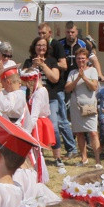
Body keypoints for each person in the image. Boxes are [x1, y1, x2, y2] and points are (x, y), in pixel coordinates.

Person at [24, 36, 71, 166]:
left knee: (54, 126)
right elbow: (23, 78)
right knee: (35, 126)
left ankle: (57, 157)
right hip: (32, 99)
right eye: (38, 45)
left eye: (44, 45)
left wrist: (43, 65)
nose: (41, 48)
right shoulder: (28, 62)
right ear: (34, 47)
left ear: (47, 47)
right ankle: (38, 154)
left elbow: (55, 78)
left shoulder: (52, 61)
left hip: (50, 98)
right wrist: (33, 66)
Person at [65, 48, 101, 167]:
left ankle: (97, 161)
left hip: (89, 105)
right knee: (79, 133)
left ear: (86, 59)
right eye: (78, 58)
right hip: (76, 106)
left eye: (83, 58)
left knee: (93, 132)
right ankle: (84, 158)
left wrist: (84, 77)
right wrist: (78, 78)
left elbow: (94, 87)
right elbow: (68, 88)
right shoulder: (72, 73)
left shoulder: (92, 71)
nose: (80, 60)